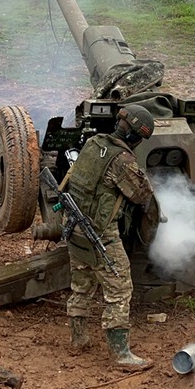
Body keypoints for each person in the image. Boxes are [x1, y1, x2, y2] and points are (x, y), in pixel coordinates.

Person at [63, 104, 155, 367]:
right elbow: (141, 195)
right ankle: (121, 354)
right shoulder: (122, 160)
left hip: (74, 226)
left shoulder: (93, 143)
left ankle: (77, 339)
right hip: (100, 234)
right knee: (120, 289)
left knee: (81, 283)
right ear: (135, 136)